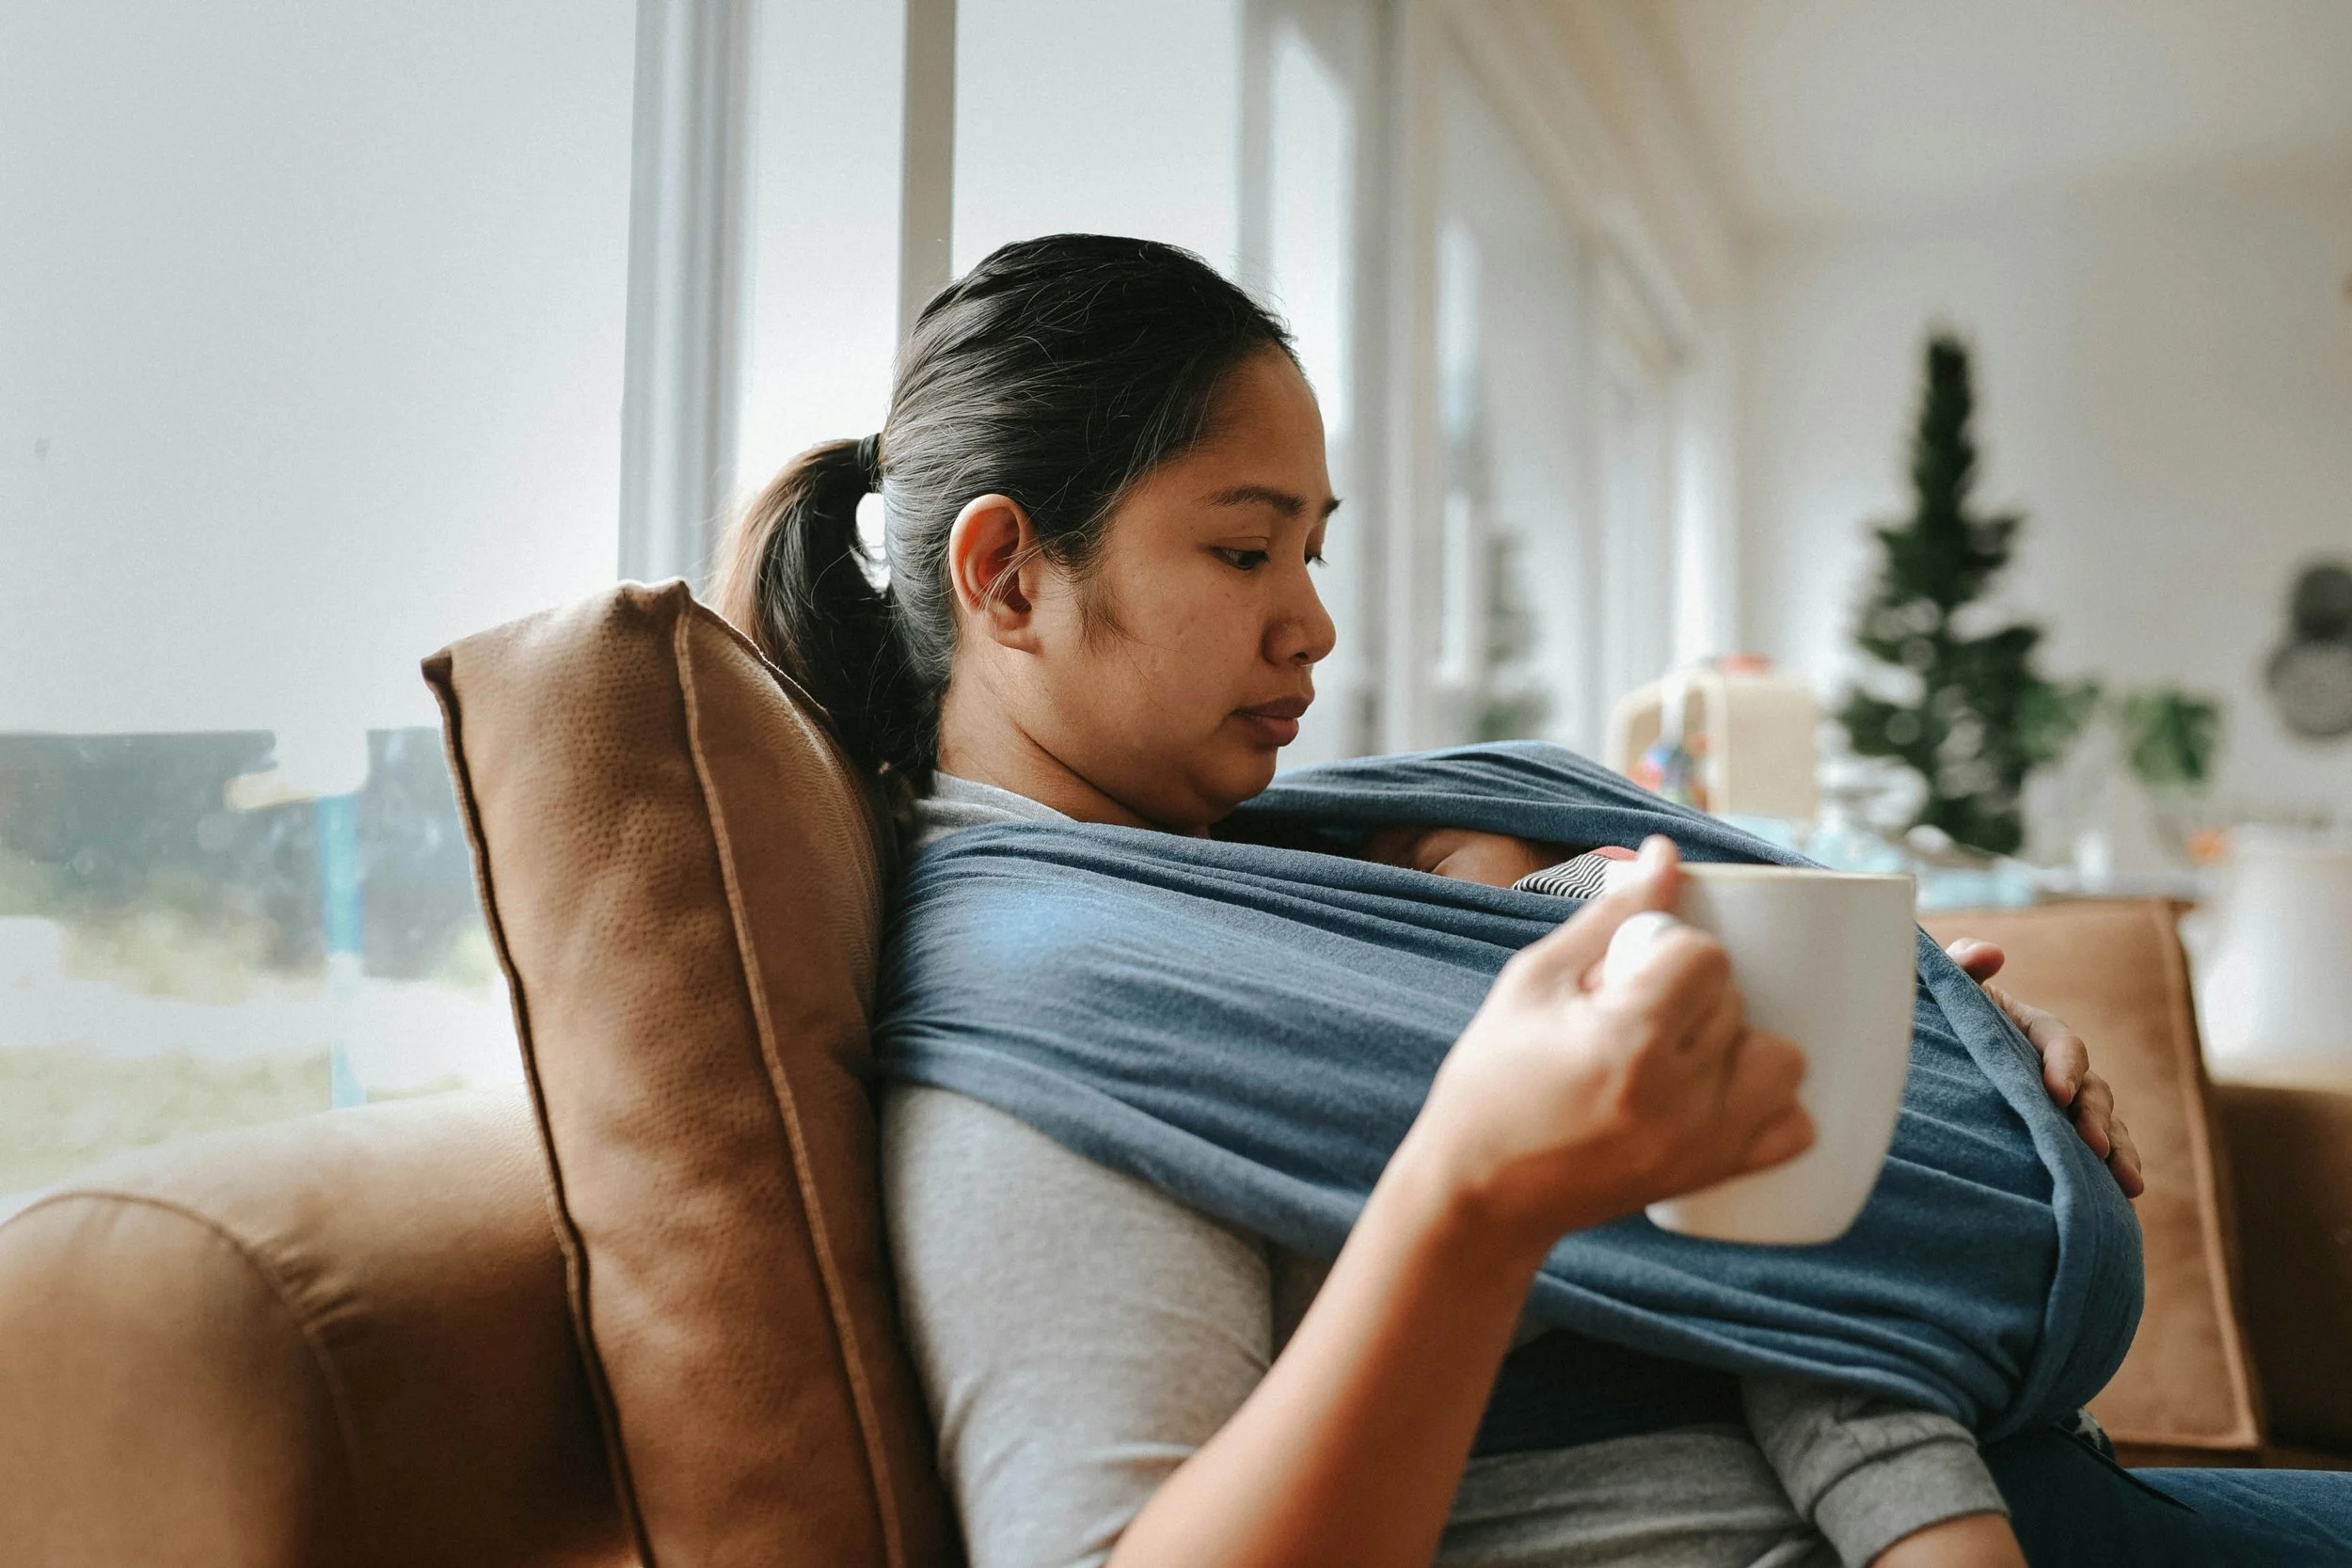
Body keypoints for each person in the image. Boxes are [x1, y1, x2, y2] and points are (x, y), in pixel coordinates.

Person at [710, 233, 2347, 1568]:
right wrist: (1473, 1192)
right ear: (1006, 576)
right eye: (1242, 552)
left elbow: (1681, 1121)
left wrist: (1937, 1062)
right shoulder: (1050, 1012)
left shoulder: (1258, 879)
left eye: (1316, 554)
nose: (1314, 630)